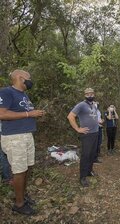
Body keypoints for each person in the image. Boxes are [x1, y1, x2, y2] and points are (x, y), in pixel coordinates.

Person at [0, 69, 45, 215]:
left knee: (27, 168)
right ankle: (19, 204)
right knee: (19, 171)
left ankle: (23, 196)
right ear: (21, 78)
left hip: (26, 136)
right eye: (29, 77)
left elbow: (23, 113)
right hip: (14, 137)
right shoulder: (6, 92)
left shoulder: (24, 95)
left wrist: (34, 114)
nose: (31, 80)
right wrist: (29, 113)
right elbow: (2, 113)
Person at [67, 88, 99, 187]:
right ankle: (82, 177)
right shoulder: (81, 105)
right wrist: (78, 129)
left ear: (94, 94)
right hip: (87, 135)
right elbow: (70, 116)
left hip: (96, 133)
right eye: (88, 94)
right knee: (85, 155)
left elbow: (93, 116)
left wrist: (98, 122)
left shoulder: (94, 104)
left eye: (91, 93)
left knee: (92, 154)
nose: (90, 95)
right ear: (85, 95)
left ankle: (89, 171)